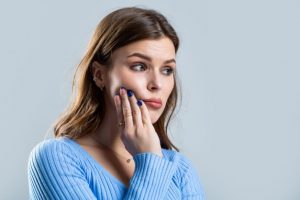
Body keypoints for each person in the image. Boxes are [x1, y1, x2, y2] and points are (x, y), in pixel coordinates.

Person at [27, 7, 206, 200]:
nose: (157, 84)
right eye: (139, 66)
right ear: (99, 75)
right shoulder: (57, 158)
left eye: (167, 70)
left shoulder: (181, 171)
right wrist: (151, 162)